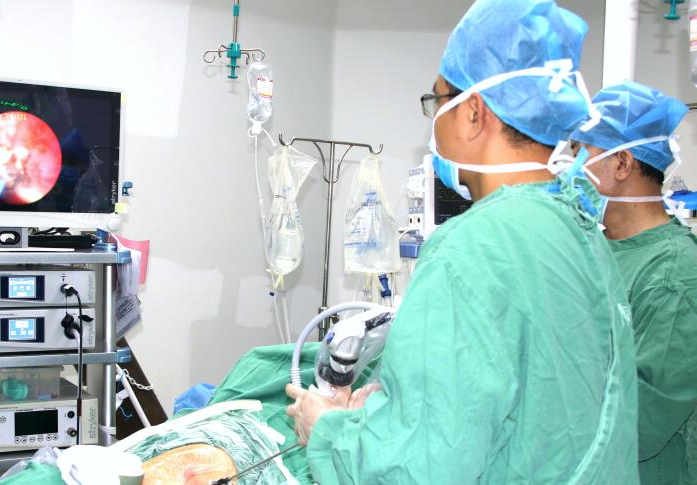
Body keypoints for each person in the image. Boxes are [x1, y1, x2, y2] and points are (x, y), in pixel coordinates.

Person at [285, 0, 640, 483]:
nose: (434, 120)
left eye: (438, 102)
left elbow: (418, 469)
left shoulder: (469, 250)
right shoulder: (580, 232)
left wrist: (327, 428)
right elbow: (543, 403)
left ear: (473, 112)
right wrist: (392, 413)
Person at [570, 81, 697, 484]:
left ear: (622, 164)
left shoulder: (674, 273)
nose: (569, 169)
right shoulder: (594, 249)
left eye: (581, 152)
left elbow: (642, 418)